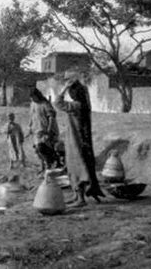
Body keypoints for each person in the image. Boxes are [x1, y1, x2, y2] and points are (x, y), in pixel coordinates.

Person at [55, 79, 105, 207]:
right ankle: (76, 195)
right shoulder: (83, 105)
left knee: (77, 168)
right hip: (76, 140)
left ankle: (80, 199)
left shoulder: (76, 106)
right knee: (74, 167)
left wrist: (64, 88)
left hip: (76, 142)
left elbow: (58, 103)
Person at [27, 88, 60, 174]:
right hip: (36, 131)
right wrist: (30, 127)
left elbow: (51, 117)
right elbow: (32, 116)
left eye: (33, 97)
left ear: (37, 95)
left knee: (43, 148)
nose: (32, 99)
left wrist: (49, 130)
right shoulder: (32, 104)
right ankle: (43, 167)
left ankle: (51, 165)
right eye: (31, 98)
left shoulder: (45, 104)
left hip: (46, 131)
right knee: (37, 150)